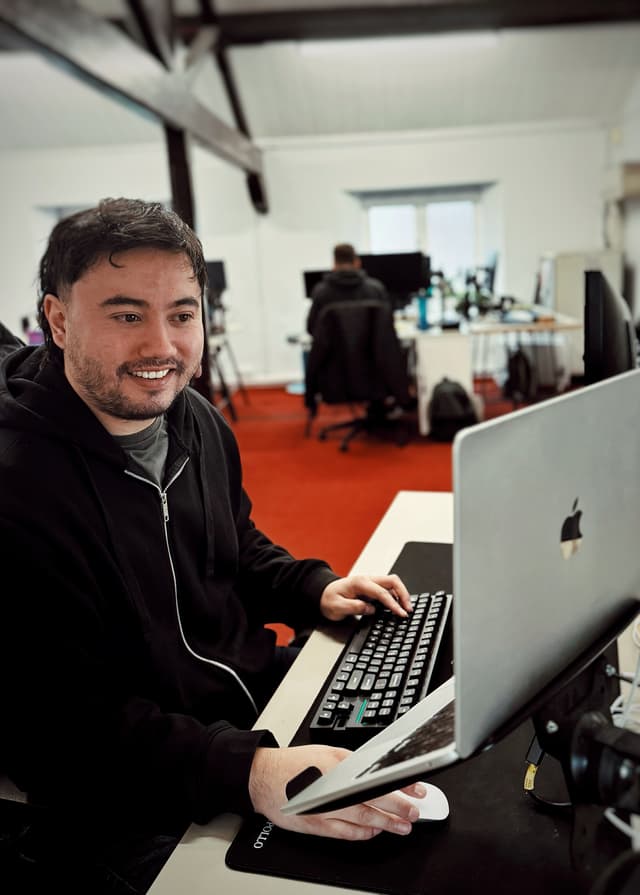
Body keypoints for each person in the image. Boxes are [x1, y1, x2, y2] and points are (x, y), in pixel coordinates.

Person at [0, 198, 428, 894]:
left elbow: (238, 543)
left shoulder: (192, 414)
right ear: (57, 318)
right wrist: (251, 773)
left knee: (438, 748)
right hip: (126, 789)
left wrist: (308, 585)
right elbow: (61, 735)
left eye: (182, 313)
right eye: (126, 313)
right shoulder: (19, 489)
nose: (162, 347)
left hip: (244, 704)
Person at [306, 242, 389, 336]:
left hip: (334, 350)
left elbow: (311, 328)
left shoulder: (321, 292)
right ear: (357, 262)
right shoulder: (376, 289)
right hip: (369, 350)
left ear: (335, 264)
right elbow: (386, 325)